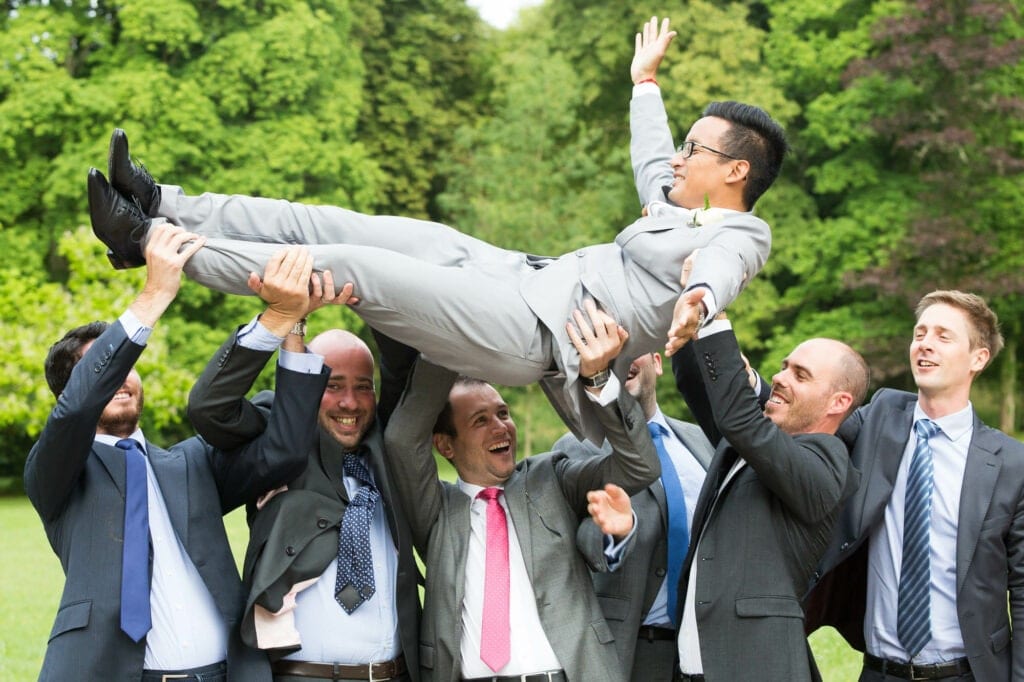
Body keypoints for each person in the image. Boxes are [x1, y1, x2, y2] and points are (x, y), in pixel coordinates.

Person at [86, 72, 787, 442]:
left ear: (734, 173)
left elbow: (725, 270)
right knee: (331, 221)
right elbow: (648, 158)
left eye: (695, 148)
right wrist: (645, 84)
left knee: (350, 270)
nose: (679, 155)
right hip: (515, 270)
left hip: (533, 332)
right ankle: (163, 200)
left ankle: (142, 240)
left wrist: (698, 301)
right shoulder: (672, 208)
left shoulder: (740, 236)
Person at [24, 223, 328, 681]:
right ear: (72, 389)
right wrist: (154, 294)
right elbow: (74, 412)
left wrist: (287, 325)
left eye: (129, 369)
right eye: (105, 370)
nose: (124, 378)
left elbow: (283, 451)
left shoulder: (190, 463)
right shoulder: (56, 473)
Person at [379, 301, 660, 680]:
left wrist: (598, 381)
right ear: (446, 445)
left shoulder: (551, 478)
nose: (501, 427)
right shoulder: (436, 512)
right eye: (480, 420)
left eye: (503, 412)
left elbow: (639, 465)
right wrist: (447, 341)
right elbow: (400, 440)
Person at [186, 250, 424, 681]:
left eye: (361, 388)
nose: (349, 402)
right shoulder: (280, 433)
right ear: (310, 383)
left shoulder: (390, 447)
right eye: (332, 385)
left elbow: (403, 368)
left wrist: (368, 292)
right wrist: (284, 321)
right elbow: (210, 407)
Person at [804, 291, 1024, 681]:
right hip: (879, 672)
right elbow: (815, 418)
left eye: (943, 335)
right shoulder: (880, 418)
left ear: (979, 358)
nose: (924, 343)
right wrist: (753, 382)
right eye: (919, 333)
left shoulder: (1011, 464)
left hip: (968, 673)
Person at [668, 293, 870, 681]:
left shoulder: (828, 463)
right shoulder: (747, 445)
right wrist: (690, 303)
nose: (777, 377)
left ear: (838, 402)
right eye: (784, 366)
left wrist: (715, 312)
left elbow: (740, 419)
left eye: (801, 374)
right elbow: (697, 382)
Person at [559, 350, 715, 681]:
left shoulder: (702, 441)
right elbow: (581, 542)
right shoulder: (578, 447)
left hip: (709, 651)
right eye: (610, 352)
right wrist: (617, 533)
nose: (620, 357)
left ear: (657, 363)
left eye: (633, 345)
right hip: (634, 652)